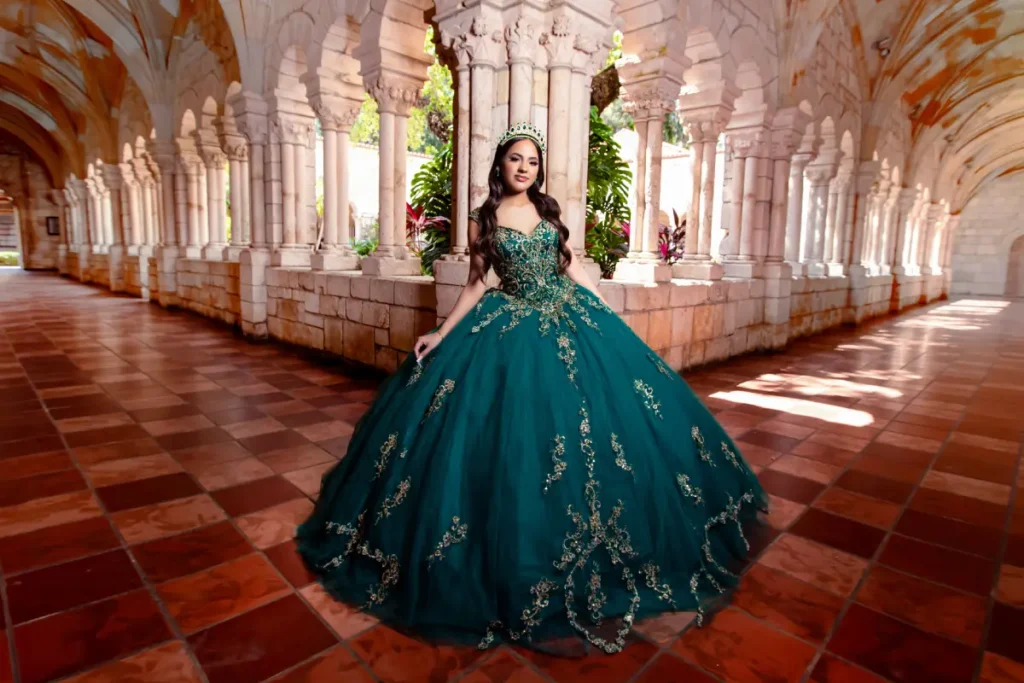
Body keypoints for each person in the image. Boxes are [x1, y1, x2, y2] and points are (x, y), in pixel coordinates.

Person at [296, 122, 768, 655]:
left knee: (590, 435)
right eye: (516, 159)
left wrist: (606, 315)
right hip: (507, 328)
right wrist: (440, 332)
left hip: (569, 319)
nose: (525, 168)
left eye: (533, 161)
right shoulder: (485, 220)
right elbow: (478, 283)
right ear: (499, 164)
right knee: (504, 443)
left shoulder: (545, 211)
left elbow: (570, 270)